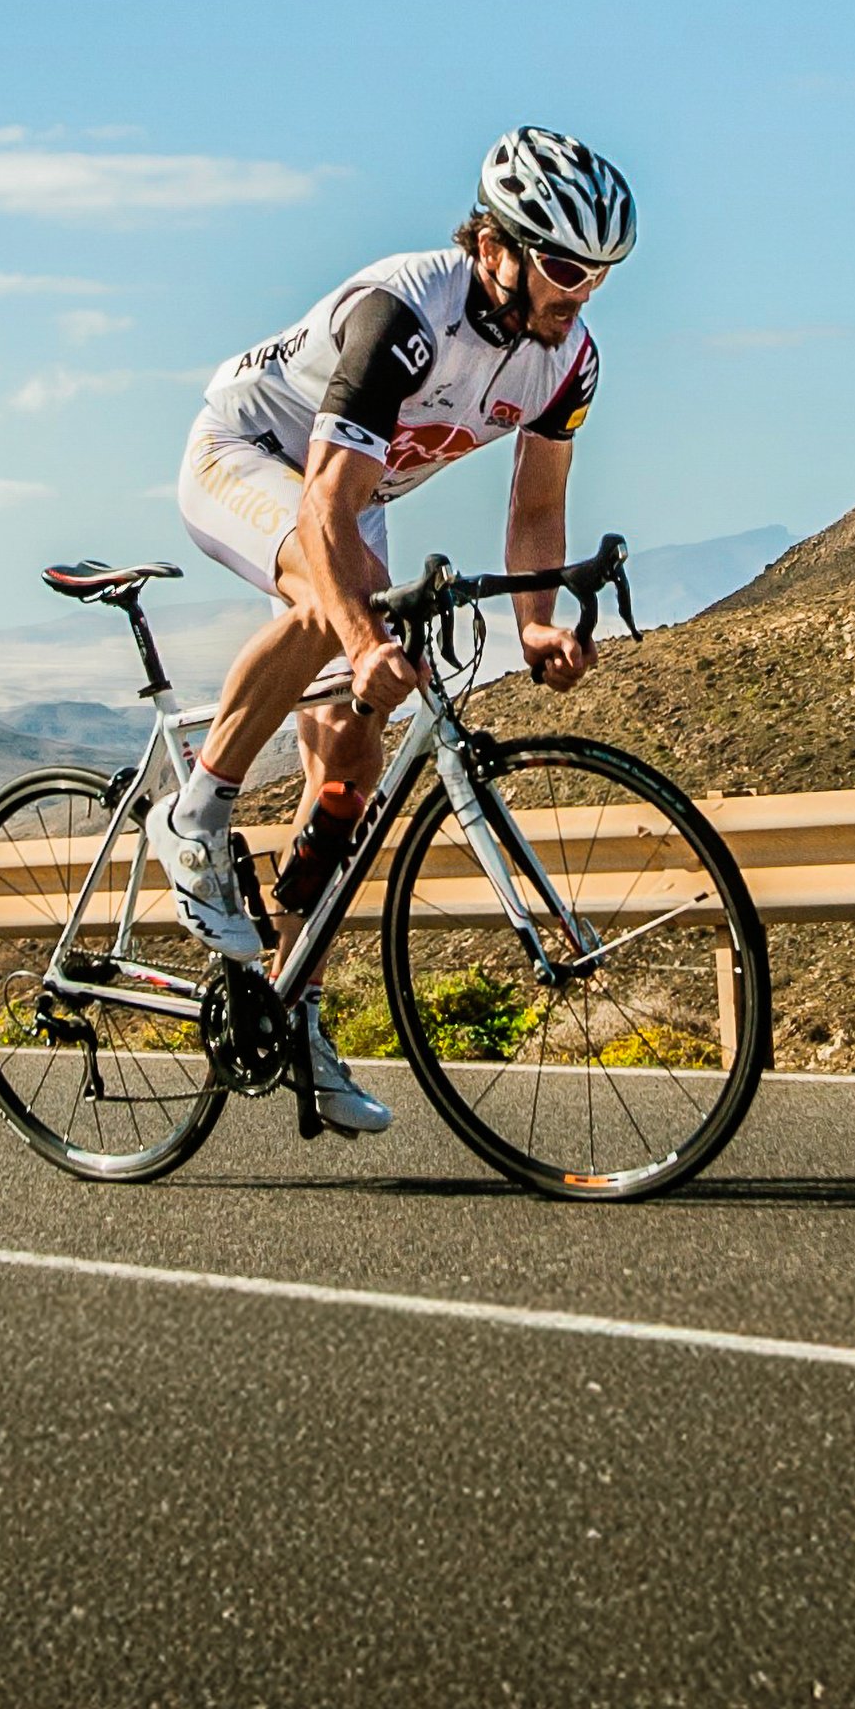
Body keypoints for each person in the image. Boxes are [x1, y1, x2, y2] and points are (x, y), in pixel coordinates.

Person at [150, 126, 638, 1133]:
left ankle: (294, 1013)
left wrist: (535, 625)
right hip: (248, 454)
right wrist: (361, 635)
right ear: (496, 245)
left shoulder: (566, 361)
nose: (576, 292)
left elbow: (538, 506)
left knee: (350, 769)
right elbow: (323, 507)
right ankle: (193, 808)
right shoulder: (403, 314)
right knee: (342, 606)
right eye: (559, 266)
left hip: (352, 495)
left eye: (596, 275)